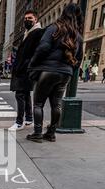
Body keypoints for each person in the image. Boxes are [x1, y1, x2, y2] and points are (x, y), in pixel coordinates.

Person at [27, 3, 84, 143]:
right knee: (56, 104)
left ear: (63, 13)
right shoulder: (77, 36)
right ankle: (51, 133)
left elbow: (43, 48)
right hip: (65, 73)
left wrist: (33, 64)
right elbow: (79, 58)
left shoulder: (54, 28)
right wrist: (70, 71)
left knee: (38, 103)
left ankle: (38, 133)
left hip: (48, 70)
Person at [9, 10, 45, 131]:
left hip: (25, 70)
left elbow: (35, 52)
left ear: (36, 19)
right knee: (25, 94)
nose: (26, 20)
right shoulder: (28, 32)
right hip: (25, 69)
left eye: (30, 18)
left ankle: (19, 122)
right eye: (25, 18)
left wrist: (24, 65)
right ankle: (29, 118)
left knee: (20, 94)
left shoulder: (37, 32)